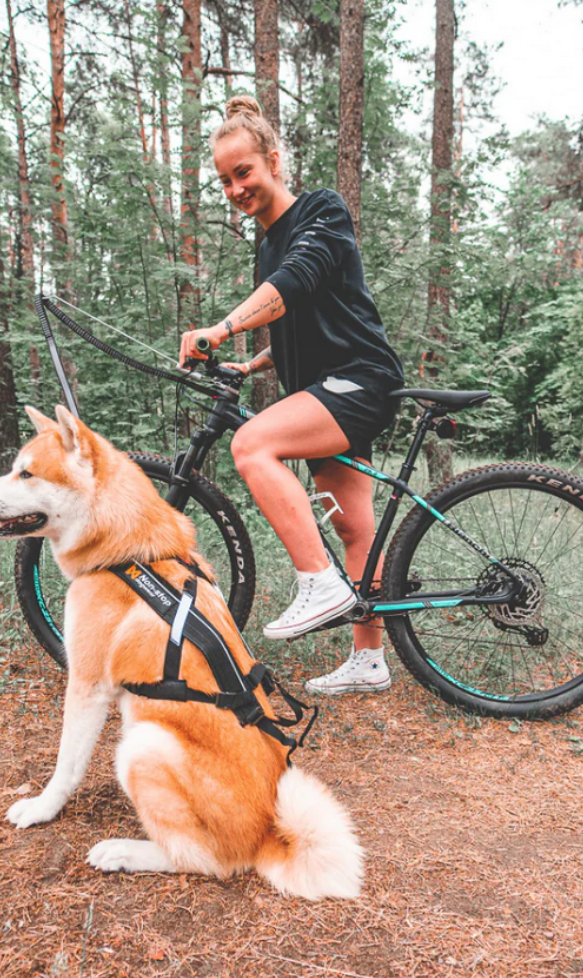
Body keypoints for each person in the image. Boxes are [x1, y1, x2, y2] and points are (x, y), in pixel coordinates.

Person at [178, 96, 404, 696]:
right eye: (224, 180)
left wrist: (221, 325)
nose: (234, 188)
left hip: (360, 381)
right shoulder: (266, 245)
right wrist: (249, 359)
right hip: (327, 390)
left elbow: (297, 283)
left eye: (243, 172)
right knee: (356, 530)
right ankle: (369, 660)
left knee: (252, 445)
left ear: (274, 161)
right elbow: (295, 319)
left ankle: (319, 583)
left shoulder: (321, 211)